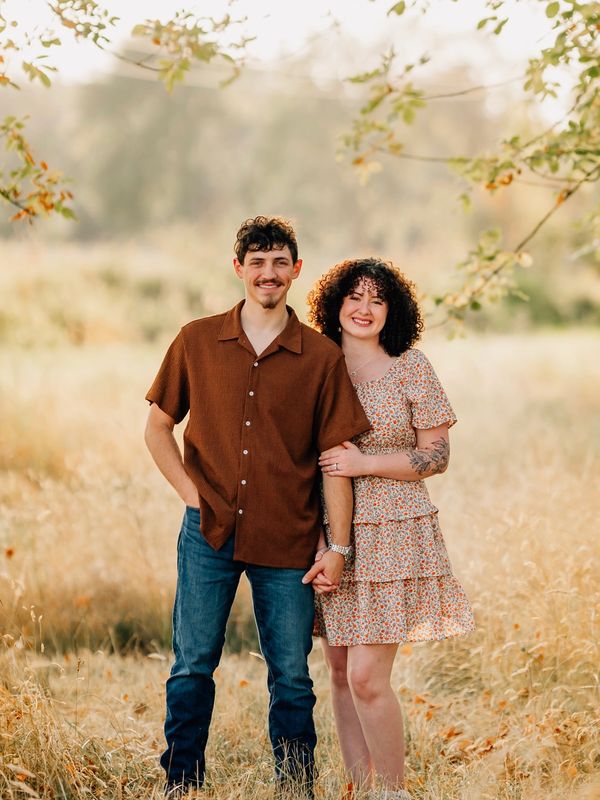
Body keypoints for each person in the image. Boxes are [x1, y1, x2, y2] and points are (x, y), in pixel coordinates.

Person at [144, 217, 371, 798]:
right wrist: (194, 499)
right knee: (192, 664)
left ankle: (295, 789)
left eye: (279, 262)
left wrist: (338, 547)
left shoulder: (320, 358)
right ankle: (181, 785)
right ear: (238, 267)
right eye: (256, 261)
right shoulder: (196, 340)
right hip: (208, 534)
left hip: (289, 538)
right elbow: (158, 428)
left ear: (296, 270)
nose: (267, 273)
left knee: (292, 677)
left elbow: (334, 459)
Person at [305, 257, 475, 800]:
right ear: (334, 305)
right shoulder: (315, 365)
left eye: (377, 299)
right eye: (354, 297)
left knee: (365, 677)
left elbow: (437, 455)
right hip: (327, 528)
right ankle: (360, 788)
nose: (364, 308)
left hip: (394, 530)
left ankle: (394, 792)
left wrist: (365, 464)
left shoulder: (409, 367)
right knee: (336, 670)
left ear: (392, 310)